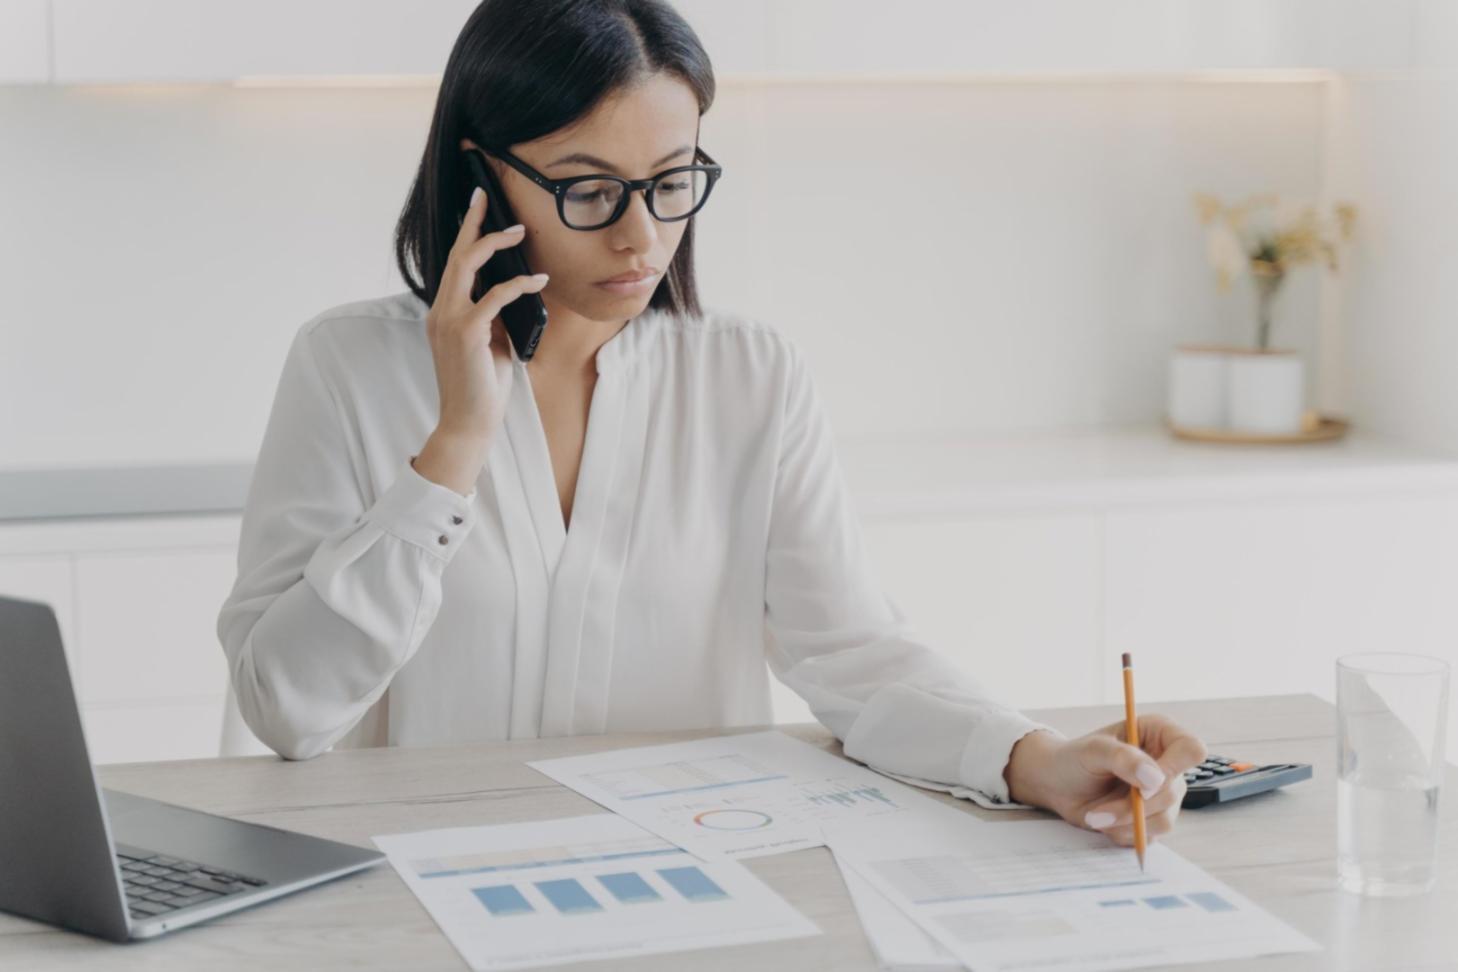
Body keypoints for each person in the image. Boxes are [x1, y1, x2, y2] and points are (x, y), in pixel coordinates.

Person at [216, 0, 1207, 849]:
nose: (642, 233)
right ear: (482, 173)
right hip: (426, 890)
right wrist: (450, 456)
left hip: (684, 890)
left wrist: (1030, 758)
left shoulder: (750, 376)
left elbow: (855, 653)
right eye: (589, 188)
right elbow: (290, 710)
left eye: (673, 180)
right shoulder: (346, 367)